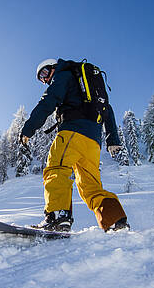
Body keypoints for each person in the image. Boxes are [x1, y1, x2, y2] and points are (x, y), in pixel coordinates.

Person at [20, 58, 129, 232]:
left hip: (72, 132)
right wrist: (112, 139)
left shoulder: (63, 75)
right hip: (93, 142)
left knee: (56, 169)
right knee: (90, 186)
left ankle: (57, 216)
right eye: (41, 78)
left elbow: (49, 101)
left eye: (45, 73)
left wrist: (29, 128)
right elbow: (107, 108)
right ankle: (114, 218)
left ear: (54, 67)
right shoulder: (85, 84)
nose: (45, 80)